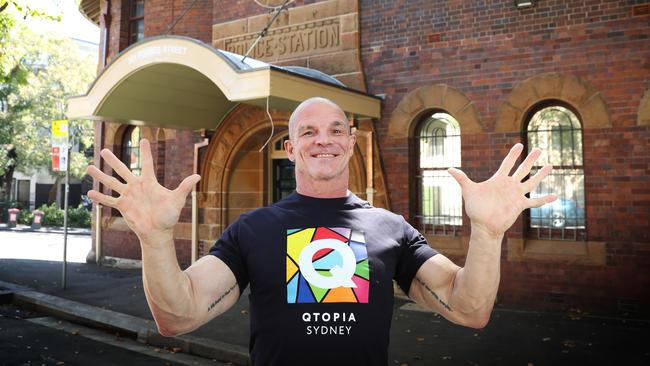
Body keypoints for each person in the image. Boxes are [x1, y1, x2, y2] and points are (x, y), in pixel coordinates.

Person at [86, 97, 555, 366]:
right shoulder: (252, 229)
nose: (323, 139)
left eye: (335, 129)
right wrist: (154, 238)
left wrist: (489, 233)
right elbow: (179, 315)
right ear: (291, 148)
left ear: (351, 143)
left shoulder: (391, 228)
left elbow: (469, 309)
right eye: (308, 132)